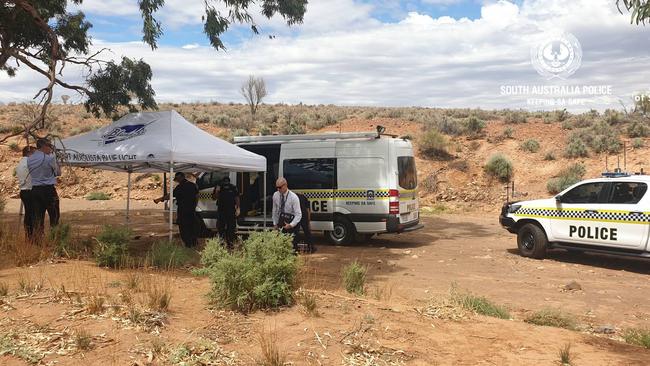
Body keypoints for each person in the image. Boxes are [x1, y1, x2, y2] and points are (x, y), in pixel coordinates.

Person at [154, 172, 199, 247]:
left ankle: (188, 244)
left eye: (177, 179)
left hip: (182, 210)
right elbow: (197, 196)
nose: (177, 181)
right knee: (191, 226)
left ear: (180, 178)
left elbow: (170, 195)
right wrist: (194, 206)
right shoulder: (193, 185)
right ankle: (193, 242)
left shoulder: (180, 187)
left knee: (183, 227)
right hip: (191, 210)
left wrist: (160, 199)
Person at [28, 138, 61, 239]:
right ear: (44, 146)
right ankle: (54, 237)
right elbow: (58, 173)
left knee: (38, 216)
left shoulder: (30, 158)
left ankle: (38, 239)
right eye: (49, 146)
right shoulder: (49, 158)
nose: (50, 148)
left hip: (35, 190)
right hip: (48, 190)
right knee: (54, 214)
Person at [272, 177, 302, 252]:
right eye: (277, 187)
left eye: (280, 187)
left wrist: (291, 225)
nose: (278, 189)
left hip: (292, 222)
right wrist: (275, 223)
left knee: (292, 245)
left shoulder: (293, 197)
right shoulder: (275, 195)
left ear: (285, 185)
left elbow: (298, 214)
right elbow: (274, 211)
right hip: (281, 220)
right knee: (281, 244)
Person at [212, 176, 239, 247]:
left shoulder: (233, 187)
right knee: (221, 227)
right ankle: (221, 242)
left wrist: (238, 207)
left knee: (231, 227)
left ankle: (230, 242)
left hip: (230, 209)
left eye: (227, 182)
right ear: (222, 182)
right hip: (221, 209)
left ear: (229, 182)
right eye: (225, 182)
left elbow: (237, 197)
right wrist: (217, 191)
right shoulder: (219, 187)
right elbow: (214, 198)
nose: (226, 183)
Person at [17, 146, 36, 239]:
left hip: (24, 191)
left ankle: (29, 235)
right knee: (31, 214)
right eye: (34, 153)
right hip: (29, 191)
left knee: (28, 213)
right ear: (29, 153)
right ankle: (31, 236)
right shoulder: (29, 162)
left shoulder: (20, 163)